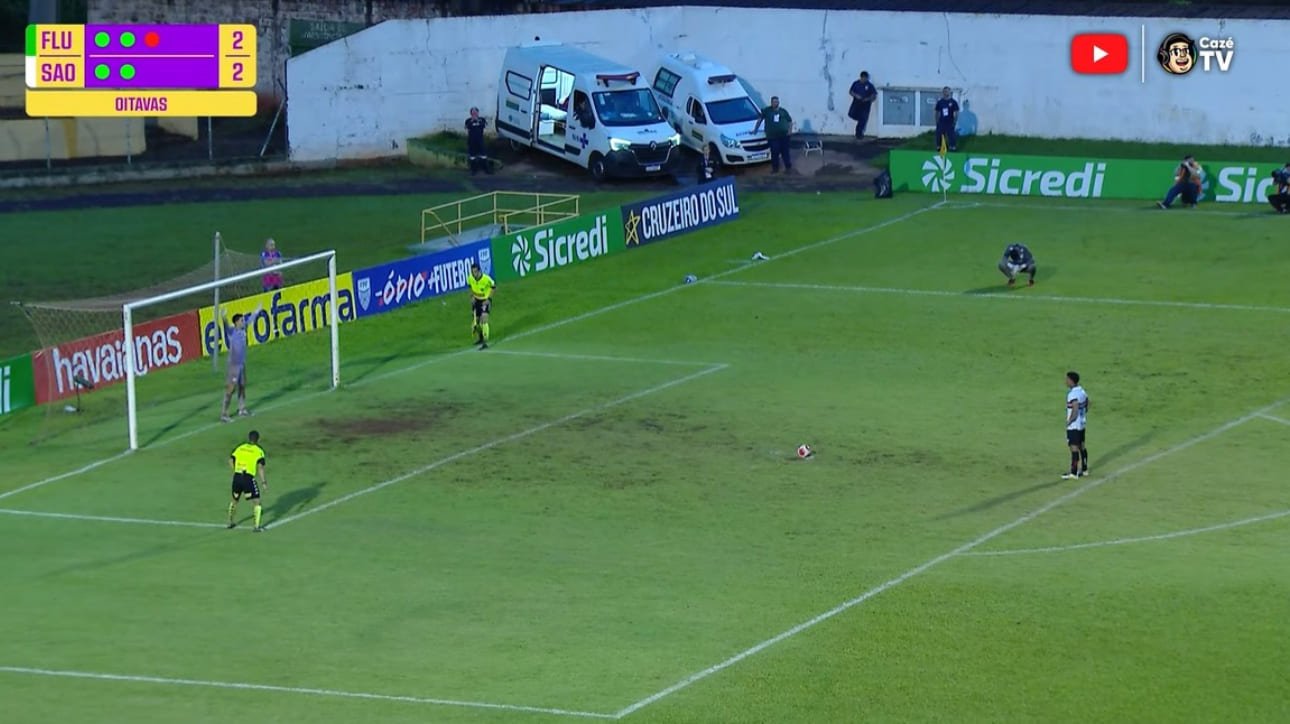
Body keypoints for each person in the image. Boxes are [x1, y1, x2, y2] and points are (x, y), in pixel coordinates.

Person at [220, 305, 264, 422]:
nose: (243, 321)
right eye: (241, 320)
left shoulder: (244, 330)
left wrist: (257, 310)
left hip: (242, 364)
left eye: (243, 320)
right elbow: (225, 324)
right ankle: (224, 414)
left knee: (242, 386)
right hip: (234, 364)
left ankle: (242, 409)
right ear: (236, 322)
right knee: (231, 388)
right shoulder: (231, 331)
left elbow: (252, 319)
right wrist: (223, 316)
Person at [227, 429, 268, 532]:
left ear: (249, 438)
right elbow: (260, 467)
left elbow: (230, 460)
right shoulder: (259, 451)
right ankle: (256, 527)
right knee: (257, 502)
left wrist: (235, 471)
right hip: (248, 478)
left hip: (237, 477)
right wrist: (264, 482)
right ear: (258, 439)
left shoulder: (240, 447)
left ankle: (230, 522)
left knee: (234, 500)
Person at [752, 95, 794, 174]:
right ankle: (775, 169)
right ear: (771, 103)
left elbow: (790, 121)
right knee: (775, 152)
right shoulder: (767, 111)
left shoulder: (783, 111)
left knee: (785, 152)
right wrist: (755, 130)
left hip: (784, 136)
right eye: (774, 102)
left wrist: (790, 131)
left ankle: (788, 168)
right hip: (772, 137)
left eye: (777, 102)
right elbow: (760, 120)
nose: (775, 103)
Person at [1062, 371, 1090, 480]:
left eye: (1066, 379)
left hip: (1074, 425)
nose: (1065, 381)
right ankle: (1084, 469)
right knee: (1081, 446)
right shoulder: (1082, 391)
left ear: (1070, 380)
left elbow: (1075, 407)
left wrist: (1070, 420)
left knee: (1073, 447)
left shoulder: (1072, 394)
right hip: (1082, 423)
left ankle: (1073, 472)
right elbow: (1088, 402)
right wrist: (1083, 413)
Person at [468, 262, 495, 349]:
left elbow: (493, 287)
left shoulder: (486, 279)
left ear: (479, 271)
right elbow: (470, 287)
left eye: (475, 272)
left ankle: (485, 343)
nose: (474, 274)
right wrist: (471, 296)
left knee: (484, 320)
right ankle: (481, 338)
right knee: (476, 322)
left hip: (485, 301)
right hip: (476, 301)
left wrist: (489, 299)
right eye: (472, 272)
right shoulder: (470, 278)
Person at [847, 71, 877, 139]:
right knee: (852, 114)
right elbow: (851, 91)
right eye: (863, 78)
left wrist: (868, 99)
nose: (864, 80)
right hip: (857, 102)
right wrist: (856, 95)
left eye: (866, 78)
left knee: (863, 119)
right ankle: (859, 124)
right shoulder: (856, 83)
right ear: (861, 77)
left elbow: (874, 94)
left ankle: (859, 134)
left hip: (865, 103)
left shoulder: (869, 85)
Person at [465, 106, 491, 175]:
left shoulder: (482, 119)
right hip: (471, 141)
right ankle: (473, 170)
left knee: (483, 155)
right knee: (472, 156)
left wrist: (478, 120)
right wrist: (472, 121)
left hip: (480, 140)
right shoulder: (468, 120)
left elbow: (485, 126)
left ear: (478, 112)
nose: (474, 114)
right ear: (471, 113)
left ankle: (486, 169)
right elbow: (467, 127)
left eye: (475, 112)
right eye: (473, 112)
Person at [933, 87, 959, 152]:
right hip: (941, 122)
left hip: (950, 122)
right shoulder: (940, 102)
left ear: (950, 92)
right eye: (944, 91)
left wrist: (955, 121)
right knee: (939, 135)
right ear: (943, 92)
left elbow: (956, 113)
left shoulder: (953, 102)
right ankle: (940, 147)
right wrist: (937, 122)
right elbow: (937, 112)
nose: (946, 93)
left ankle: (952, 147)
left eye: (947, 91)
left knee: (951, 135)